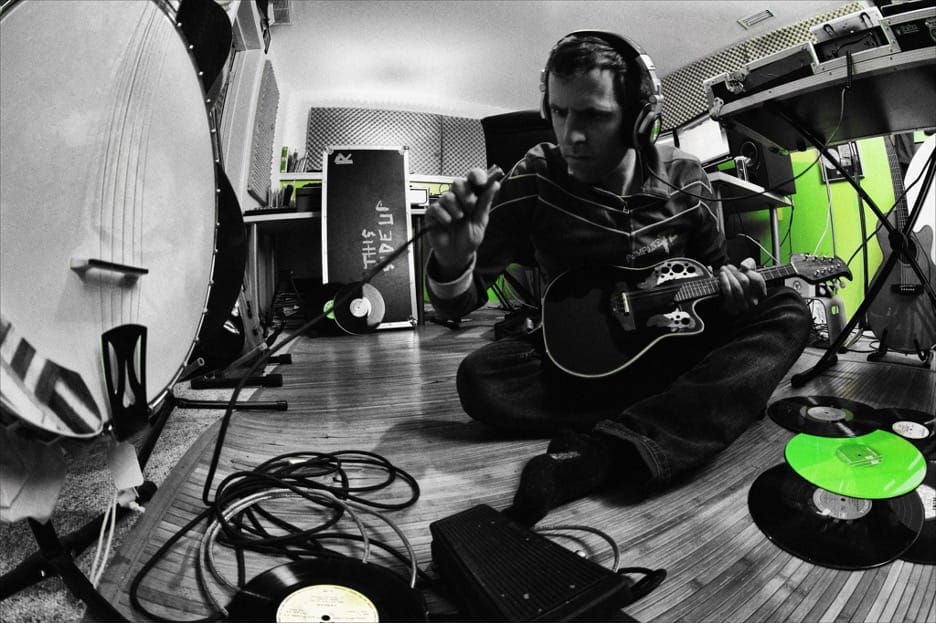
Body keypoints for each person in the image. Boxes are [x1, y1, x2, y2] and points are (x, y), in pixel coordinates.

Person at [424, 31, 811, 525]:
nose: (569, 136)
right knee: (479, 380)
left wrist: (733, 290)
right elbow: (456, 307)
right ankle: (696, 406)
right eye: (559, 113)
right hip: (580, 355)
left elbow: (715, 274)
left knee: (787, 311)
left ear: (640, 120)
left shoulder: (688, 178)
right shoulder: (536, 176)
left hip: (670, 341)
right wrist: (454, 262)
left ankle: (612, 449)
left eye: (592, 115)